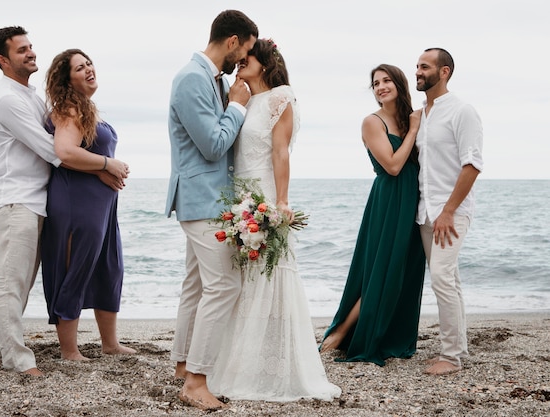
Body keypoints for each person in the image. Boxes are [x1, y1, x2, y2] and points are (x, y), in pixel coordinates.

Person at [207, 38, 341, 401]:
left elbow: (280, 152)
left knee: (269, 276)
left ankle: (274, 365)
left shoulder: (281, 97)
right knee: (241, 281)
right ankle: (237, 360)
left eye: (245, 59)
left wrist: (281, 201)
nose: (239, 63)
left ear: (263, 63)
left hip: (263, 194)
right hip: (238, 196)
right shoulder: (245, 99)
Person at [0, 26, 123, 376]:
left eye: (31, 47)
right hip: (14, 200)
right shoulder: (7, 99)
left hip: (36, 199)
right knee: (10, 284)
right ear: (3, 59)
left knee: (20, 284)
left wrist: (95, 167)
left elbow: (63, 146)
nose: (31, 53)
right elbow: (54, 149)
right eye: (21, 50)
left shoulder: (30, 96)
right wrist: (102, 167)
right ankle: (17, 359)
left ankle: (7, 348)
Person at [165, 10, 258, 411]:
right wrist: (237, 105)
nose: (242, 61)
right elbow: (212, 145)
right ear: (234, 40)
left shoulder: (210, 79)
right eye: (246, 50)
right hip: (202, 198)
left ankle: (184, 364)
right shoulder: (191, 78)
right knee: (225, 286)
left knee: (197, 286)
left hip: (210, 198)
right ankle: (197, 381)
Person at [319, 64, 426, 366]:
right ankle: (341, 333)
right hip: (389, 200)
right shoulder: (372, 122)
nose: (380, 86)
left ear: (399, 83)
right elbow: (392, 166)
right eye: (376, 83)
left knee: (403, 270)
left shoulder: (409, 119)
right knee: (381, 270)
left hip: (412, 201)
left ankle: (390, 334)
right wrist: (414, 130)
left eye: (386, 80)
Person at [40, 48, 134, 361]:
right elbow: (65, 152)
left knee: (109, 268)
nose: (89, 69)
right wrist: (107, 164)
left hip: (101, 206)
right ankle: (69, 351)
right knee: (76, 269)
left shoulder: (85, 107)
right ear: (67, 80)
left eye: (89, 63)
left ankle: (110, 343)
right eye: (80, 68)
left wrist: (101, 169)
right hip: (76, 204)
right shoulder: (70, 109)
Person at [414, 48, 483, 376]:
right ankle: (460, 346)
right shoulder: (422, 115)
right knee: (449, 279)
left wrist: (448, 211)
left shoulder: (462, 111)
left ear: (444, 72)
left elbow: (472, 165)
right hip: (425, 213)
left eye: (424, 67)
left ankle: (451, 356)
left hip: (450, 213)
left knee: (441, 277)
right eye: (416, 66)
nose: (417, 71)